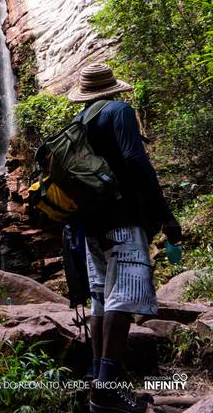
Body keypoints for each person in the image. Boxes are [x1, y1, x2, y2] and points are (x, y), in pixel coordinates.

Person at [66, 63, 183, 413]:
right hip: (122, 220)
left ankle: (102, 384)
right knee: (124, 297)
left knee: (103, 298)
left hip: (90, 226)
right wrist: (164, 216)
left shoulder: (79, 122)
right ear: (113, 89)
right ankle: (106, 388)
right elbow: (136, 161)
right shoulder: (119, 110)